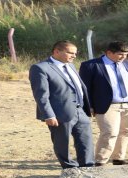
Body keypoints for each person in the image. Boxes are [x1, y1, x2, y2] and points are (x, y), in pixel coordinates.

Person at [29, 40, 95, 169]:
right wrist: (48, 115)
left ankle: (87, 167)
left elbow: (79, 88)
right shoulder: (40, 68)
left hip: (80, 110)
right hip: (59, 113)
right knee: (62, 143)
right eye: (70, 53)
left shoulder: (70, 65)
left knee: (86, 141)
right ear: (57, 51)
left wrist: (88, 106)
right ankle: (70, 169)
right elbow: (41, 95)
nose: (74, 56)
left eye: (75, 53)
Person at [79, 41, 128, 166]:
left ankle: (119, 158)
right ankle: (100, 161)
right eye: (120, 54)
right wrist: (90, 105)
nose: (124, 57)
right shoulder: (91, 65)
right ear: (109, 52)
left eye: (125, 54)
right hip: (107, 105)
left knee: (126, 131)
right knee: (109, 132)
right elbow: (85, 88)